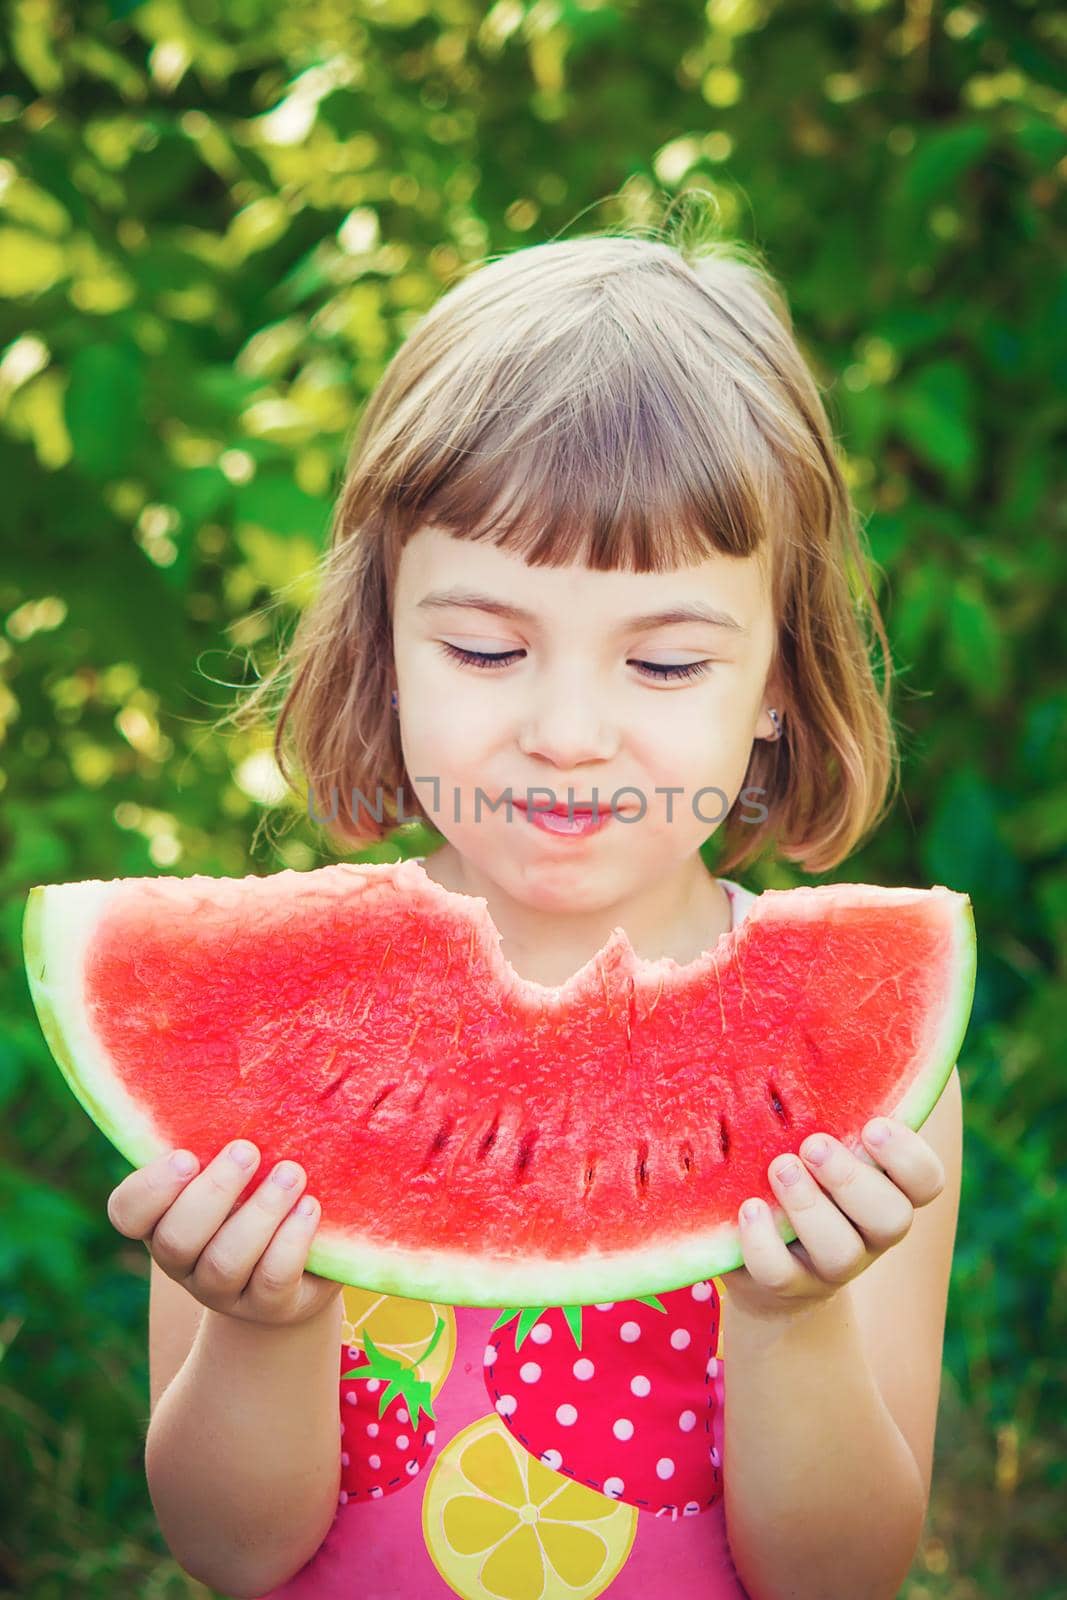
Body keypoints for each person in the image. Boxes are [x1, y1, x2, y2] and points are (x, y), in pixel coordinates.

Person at [107, 217, 963, 1600]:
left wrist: (793, 1320)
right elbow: (230, 1553)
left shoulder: (861, 1077)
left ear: (779, 687)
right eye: (488, 646)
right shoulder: (282, 1038)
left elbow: (841, 1580)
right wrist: (262, 1329)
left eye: (669, 663)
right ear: (381, 648)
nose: (569, 732)